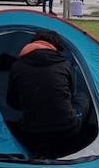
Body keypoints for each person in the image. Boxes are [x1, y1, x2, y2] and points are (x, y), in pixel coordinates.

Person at [6, 29, 83, 158]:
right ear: (56, 47)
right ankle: (85, 137)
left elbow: (11, 101)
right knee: (82, 98)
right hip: (66, 129)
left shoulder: (17, 65)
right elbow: (71, 95)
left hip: (31, 131)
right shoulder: (64, 64)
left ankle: (41, 143)